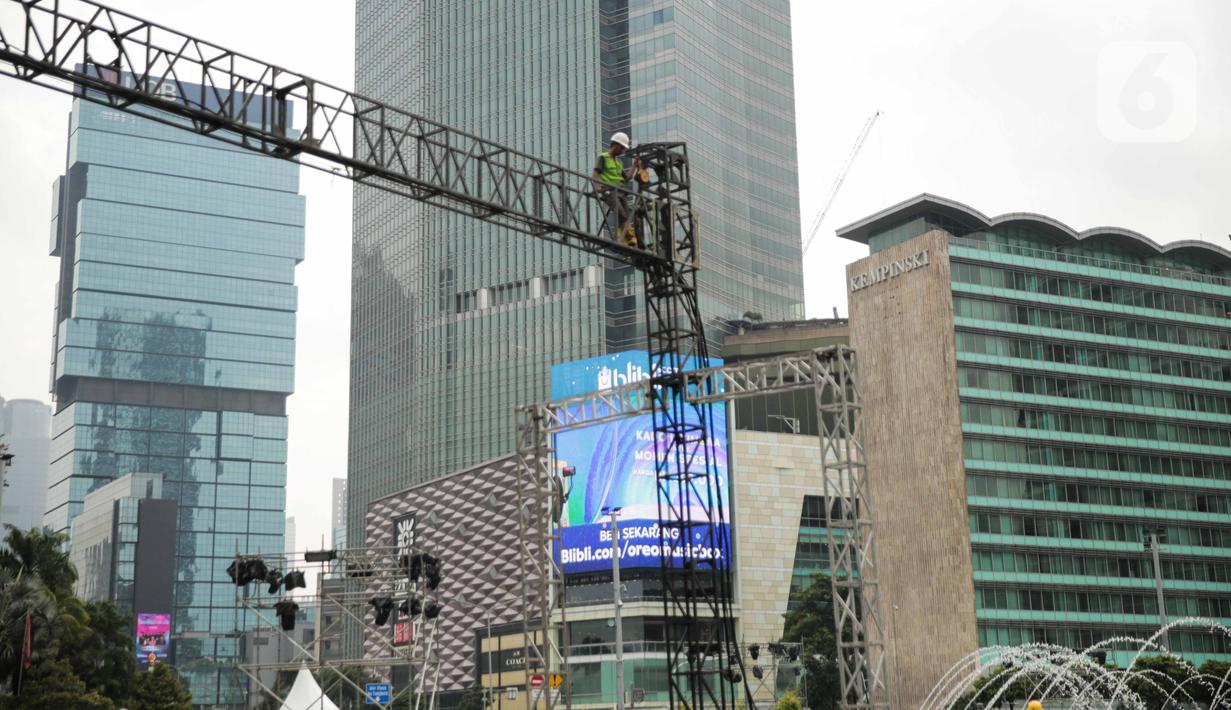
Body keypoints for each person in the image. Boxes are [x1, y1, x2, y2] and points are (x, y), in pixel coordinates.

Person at [592, 131, 642, 246]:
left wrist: (634, 166)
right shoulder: (603, 157)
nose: (622, 151)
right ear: (616, 145)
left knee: (627, 214)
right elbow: (595, 173)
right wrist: (598, 187)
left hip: (620, 192)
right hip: (607, 190)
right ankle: (627, 236)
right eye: (622, 148)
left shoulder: (619, 163)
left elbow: (627, 178)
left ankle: (624, 236)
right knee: (620, 212)